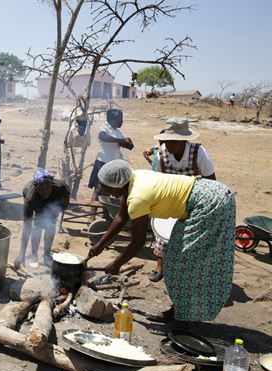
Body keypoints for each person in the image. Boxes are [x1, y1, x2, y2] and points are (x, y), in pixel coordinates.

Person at [87, 160, 235, 326]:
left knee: (180, 261)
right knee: (176, 258)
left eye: (107, 188)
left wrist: (116, 264)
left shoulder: (138, 197)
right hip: (209, 193)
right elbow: (121, 217)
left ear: (118, 184)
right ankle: (181, 311)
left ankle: (184, 317)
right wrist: (99, 245)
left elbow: (138, 242)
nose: (106, 192)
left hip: (209, 203)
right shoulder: (134, 177)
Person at [142, 117, 216, 282]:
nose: (169, 145)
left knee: (191, 236)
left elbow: (211, 181)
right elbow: (159, 180)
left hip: (194, 199)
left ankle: (189, 269)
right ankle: (160, 266)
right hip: (171, 198)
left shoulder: (198, 152)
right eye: (167, 141)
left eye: (173, 141)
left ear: (184, 140)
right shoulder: (161, 153)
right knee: (163, 232)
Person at [13, 169, 70, 269]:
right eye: (41, 188)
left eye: (47, 187)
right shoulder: (30, 198)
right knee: (37, 228)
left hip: (53, 203)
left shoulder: (61, 188)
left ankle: (46, 255)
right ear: (35, 187)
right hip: (37, 205)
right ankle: (34, 256)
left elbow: (66, 202)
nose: (45, 191)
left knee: (51, 227)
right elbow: (27, 226)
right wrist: (21, 254)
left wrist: (57, 210)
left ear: (51, 184)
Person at [87, 109, 133, 216]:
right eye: (120, 120)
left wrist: (127, 142)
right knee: (98, 190)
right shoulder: (105, 128)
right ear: (113, 120)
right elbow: (102, 136)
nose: (122, 122)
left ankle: (106, 215)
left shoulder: (118, 132)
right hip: (103, 162)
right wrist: (120, 141)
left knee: (110, 189)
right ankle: (92, 216)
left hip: (114, 165)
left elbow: (129, 146)